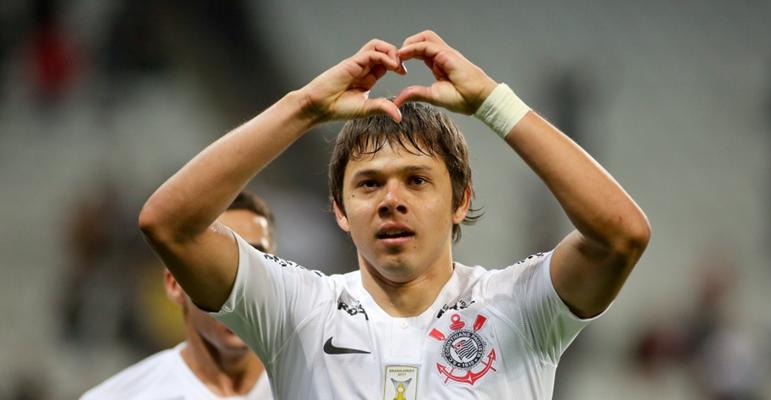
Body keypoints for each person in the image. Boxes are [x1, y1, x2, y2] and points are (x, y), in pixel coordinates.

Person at [138, 31, 651, 399]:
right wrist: (304, 108)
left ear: (461, 200)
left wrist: (495, 104)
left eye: (418, 180)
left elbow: (621, 236)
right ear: (340, 210)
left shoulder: (519, 306)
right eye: (368, 184)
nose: (391, 199)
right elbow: (169, 225)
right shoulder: (296, 310)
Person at [82, 192, 275, 399]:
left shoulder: (312, 381)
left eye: (256, 262)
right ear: (175, 284)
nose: (239, 285)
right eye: (216, 265)